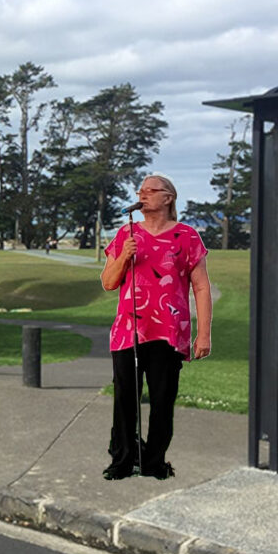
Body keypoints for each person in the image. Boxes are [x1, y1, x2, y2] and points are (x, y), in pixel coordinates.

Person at [99, 174, 212, 481]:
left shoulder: (187, 237)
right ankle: (121, 460)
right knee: (124, 399)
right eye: (141, 190)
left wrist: (204, 334)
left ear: (168, 198)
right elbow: (109, 283)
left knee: (162, 401)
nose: (143, 194)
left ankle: (154, 461)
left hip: (169, 332)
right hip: (128, 332)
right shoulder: (126, 234)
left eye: (151, 190)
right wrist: (124, 256)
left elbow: (201, 288)